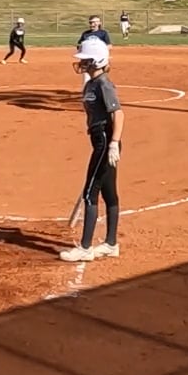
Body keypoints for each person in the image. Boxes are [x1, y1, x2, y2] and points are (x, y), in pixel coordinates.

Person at [62, 37, 123, 263]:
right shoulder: (91, 84)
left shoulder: (104, 84)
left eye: (86, 60)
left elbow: (119, 114)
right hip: (99, 139)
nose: (82, 63)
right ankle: (111, 244)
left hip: (105, 141)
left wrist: (114, 143)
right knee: (108, 192)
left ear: (96, 60)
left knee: (90, 193)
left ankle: (86, 248)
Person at [76, 16, 111, 83]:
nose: (93, 24)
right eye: (91, 22)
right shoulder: (85, 34)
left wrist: (103, 56)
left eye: (95, 22)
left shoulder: (103, 33)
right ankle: (87, 89)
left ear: (99, 23)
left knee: (100, 78)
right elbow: (79, 45)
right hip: (88, 59)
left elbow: (109, 46)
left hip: (99, 59)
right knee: (86, 79)